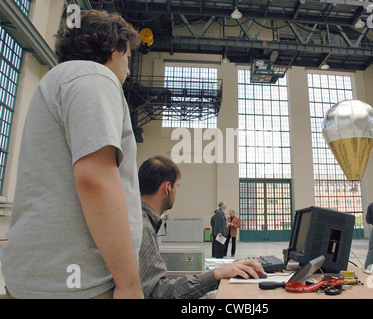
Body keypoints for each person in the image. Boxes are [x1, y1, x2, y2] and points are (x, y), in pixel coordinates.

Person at [0, 10, 143, 299]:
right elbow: (95, 179)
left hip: (49, 279)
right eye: (128, 58)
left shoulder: (58, 81)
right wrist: (129, 283)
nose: (128, 71)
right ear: (113, 50)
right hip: (78, 286)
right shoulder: (93, 77)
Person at [138, 156, 265, 299]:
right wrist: (216, 274)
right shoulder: (143, 229)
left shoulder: (137, 221)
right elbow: (157, 294)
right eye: (177, 186)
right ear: (167, 188)